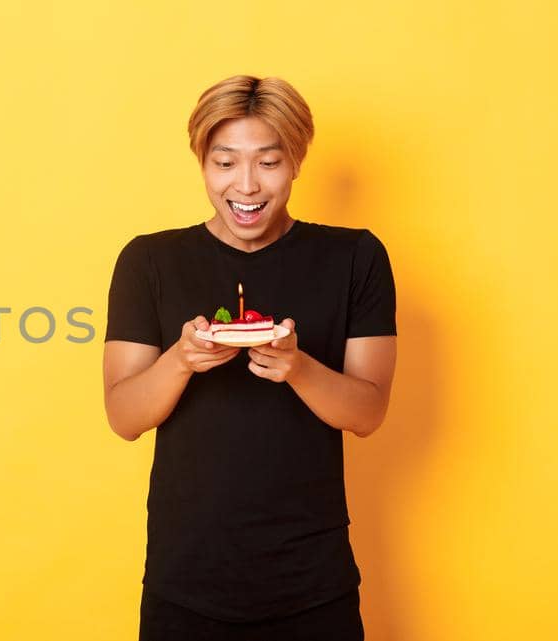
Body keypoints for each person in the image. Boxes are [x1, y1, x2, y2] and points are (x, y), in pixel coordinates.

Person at [101, 75, 398, 641]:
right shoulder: (149, 262)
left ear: (296, 163)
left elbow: (368, 414)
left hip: (314, 581)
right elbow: (123, 418)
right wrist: (181, 360)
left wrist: (298, 367)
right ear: (202, 163)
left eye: (268, 162)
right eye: (224, 162)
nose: (245, 185)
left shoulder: (356, 257)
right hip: (185, 579)